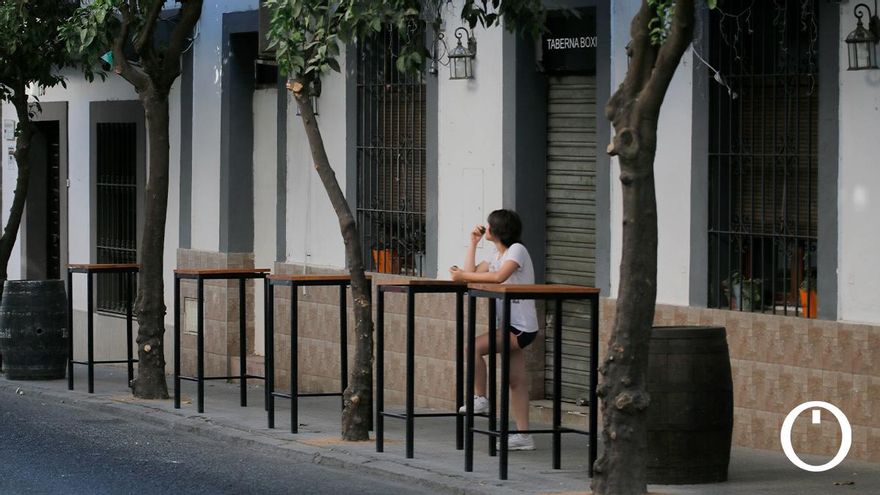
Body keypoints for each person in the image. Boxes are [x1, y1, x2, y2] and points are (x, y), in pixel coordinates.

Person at [449, 209, 539, 451]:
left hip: (520, 327)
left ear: (497, 231)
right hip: (509, 325)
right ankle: (524, 436)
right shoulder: (496, 254)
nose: (484, 228)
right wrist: (473, 243)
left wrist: (461, 276)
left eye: (488, 227)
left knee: (471, 348)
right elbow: (471, 275)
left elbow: (499, 277)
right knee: (516, 382)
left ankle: (481, 398)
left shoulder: (516, 250)